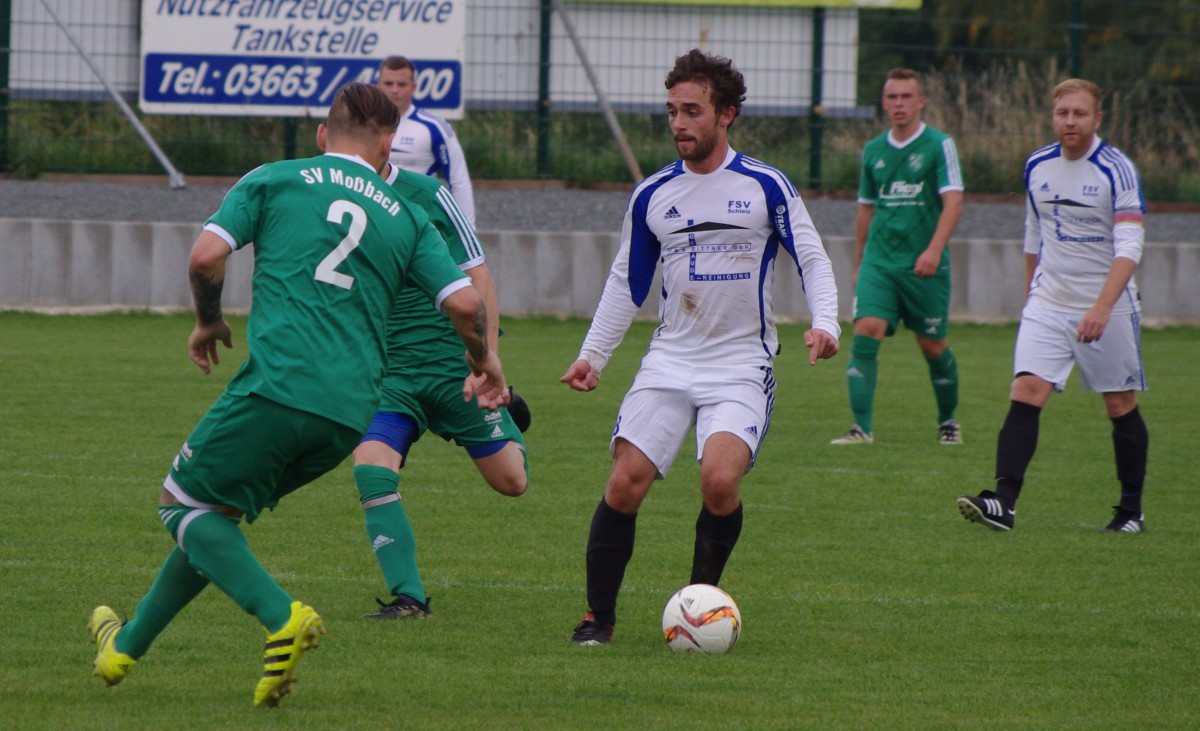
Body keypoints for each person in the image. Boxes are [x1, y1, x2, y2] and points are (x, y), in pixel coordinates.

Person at [86, 82, 509, 707]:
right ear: (388, 143)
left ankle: (282, 617)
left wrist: (207, 320)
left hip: (278, 388)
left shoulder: (277, 178)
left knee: (180, 508)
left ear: (321, 135)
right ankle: (122, 651)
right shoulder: (409, 214)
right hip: (349, 417)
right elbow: (466, 303)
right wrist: (484, 360)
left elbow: (205, 258)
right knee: (214, 516)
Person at [560, 49, 840, 646]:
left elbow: (811, 256)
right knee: (624, 482)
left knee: (719, 481)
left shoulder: (765, 185)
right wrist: (593, 356)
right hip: (671, 358)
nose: (679, 123)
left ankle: (697, 609)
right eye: (671, 112)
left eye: (692, 111)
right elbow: (626, 282)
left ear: (727, 114)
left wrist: (827, 323)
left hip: (742, 362)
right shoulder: (654, 194)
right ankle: (598, 619)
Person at [957, 78, 1149, 533]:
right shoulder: (1038, 165)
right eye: (1063, 113)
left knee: (1119, 403)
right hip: (1049, 299)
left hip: (1110, 302)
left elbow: (1130, 246)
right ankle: (1003, 501)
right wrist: (1032, 296)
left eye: (1080, 114)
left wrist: (1101, 307)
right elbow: (1033, 233)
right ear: (1053, 116)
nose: (1070, 121)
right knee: (1026, 390)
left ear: (1097, 119)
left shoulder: (1116, 170)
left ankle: (1130, 511)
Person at [352, 158, 531, 620]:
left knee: (512, 482)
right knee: (371, 467)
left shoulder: (427, 195)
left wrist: (488, 360)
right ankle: (409, 598)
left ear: (386, 138)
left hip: (455, 368)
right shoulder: (333, 195)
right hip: (391, 375)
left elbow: (480, 278)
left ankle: (510, 415)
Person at [830, 68, 965, 446]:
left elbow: (954, 201)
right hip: (880, 262)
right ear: (884, 103)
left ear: (921, 101)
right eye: (892, 97)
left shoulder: (939, 145)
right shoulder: (873, 151)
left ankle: (948, 421)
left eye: (907, 97)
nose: (899, 104)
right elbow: (866, 210)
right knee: (866, 331)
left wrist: (934, 250)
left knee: (932, 346)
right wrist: (859, 264)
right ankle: (861, 428)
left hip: (925, 265)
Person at [376, 55, 477, 227]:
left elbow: (459, 181)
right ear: (378, 85)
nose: (394, 90)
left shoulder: (435, 127)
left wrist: (468, 229)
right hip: (375, 221)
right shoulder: (363, 126)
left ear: (413, 87)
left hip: (420, 224)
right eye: (388, 84)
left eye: (401, 84)